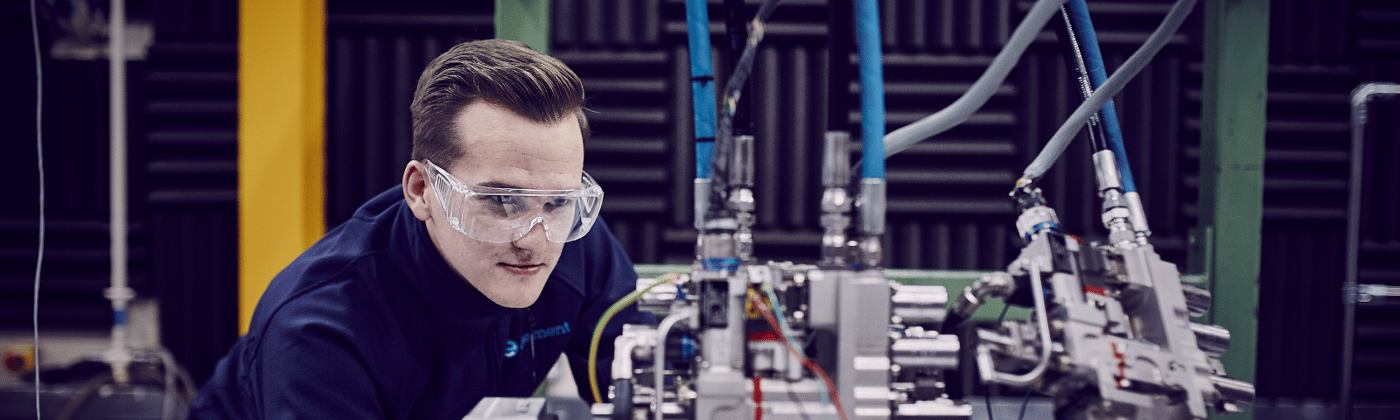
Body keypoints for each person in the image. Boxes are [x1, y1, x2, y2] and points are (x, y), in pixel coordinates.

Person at [188, 39, 652, 419]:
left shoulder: (573, 239)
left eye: (557, 202)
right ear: (421, 190)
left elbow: (642, 387)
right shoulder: (321, 333)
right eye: (499, 200)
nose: (534, 240)